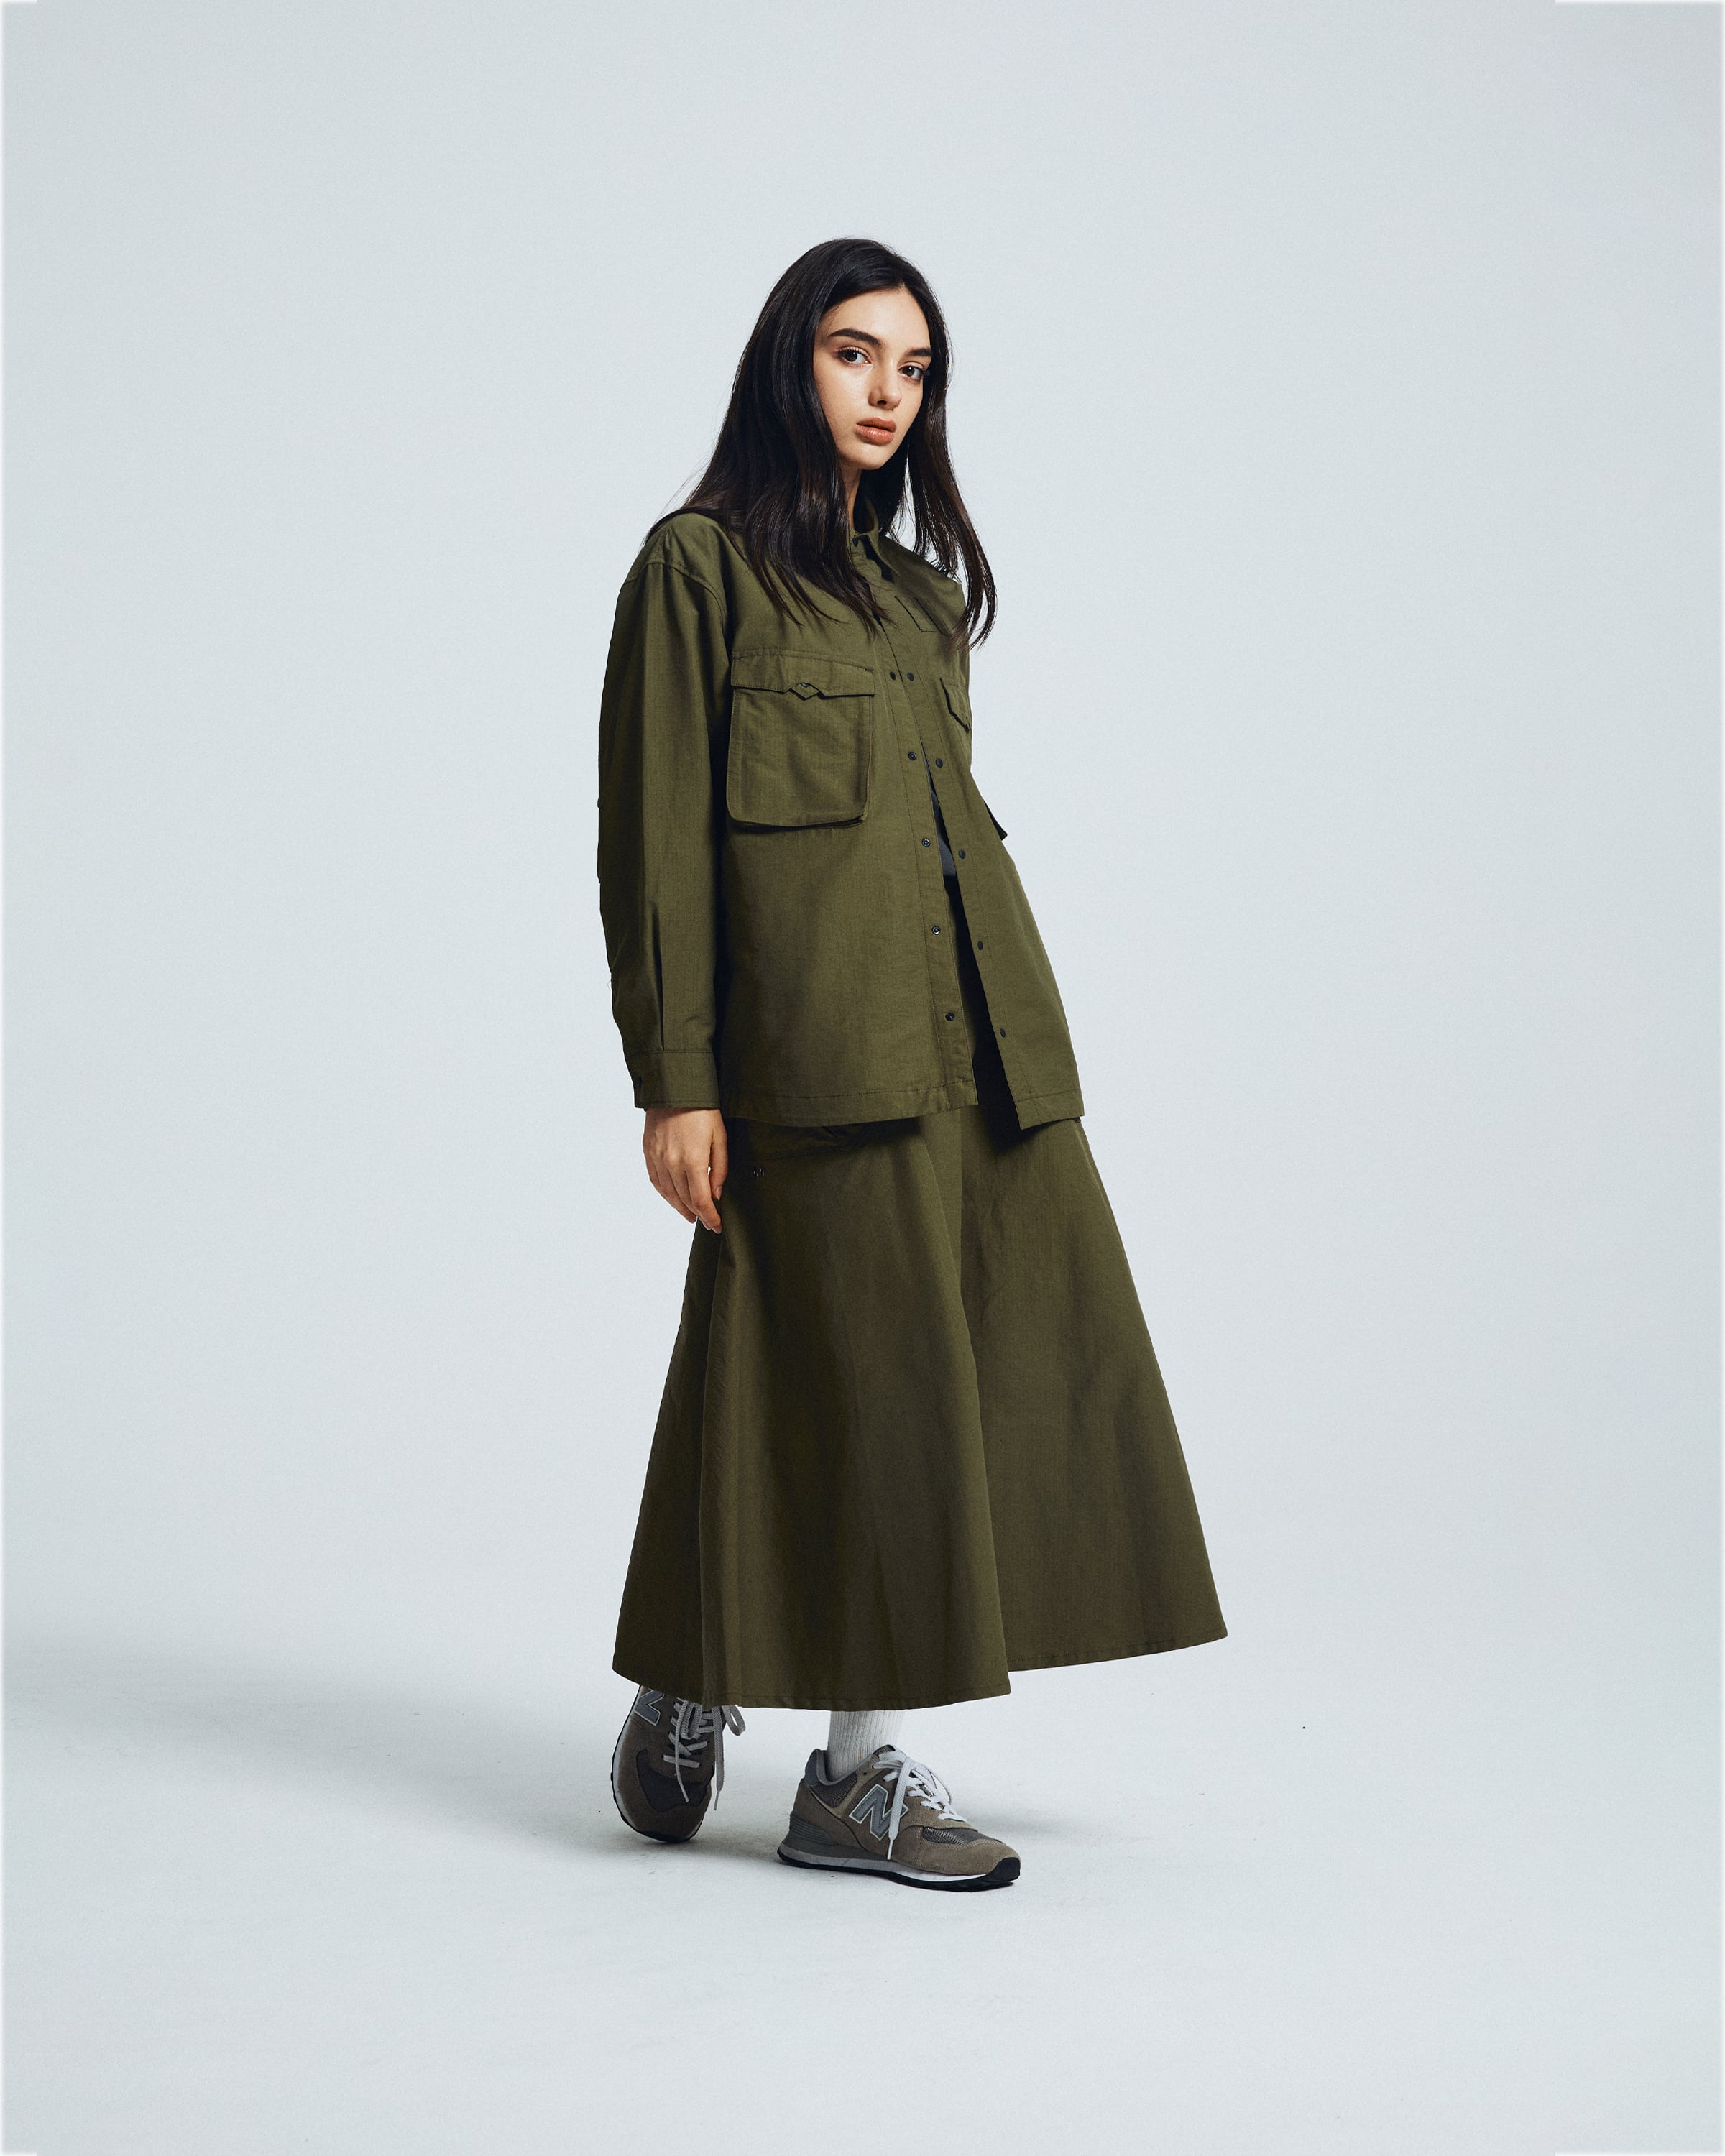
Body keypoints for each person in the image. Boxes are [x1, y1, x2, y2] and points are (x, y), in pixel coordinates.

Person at [596, 237, 1225, 1892]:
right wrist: (677, 1078)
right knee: (861, 1386)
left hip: (984, 1042)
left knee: (979, 1377)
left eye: (915, 368)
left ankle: (704, 1670)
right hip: (817, 1050)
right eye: (854, 354)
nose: (888, 393)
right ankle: (852, 1774)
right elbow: (658, 842)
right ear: (788, 363)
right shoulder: (695, 570)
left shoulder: (925, 599)